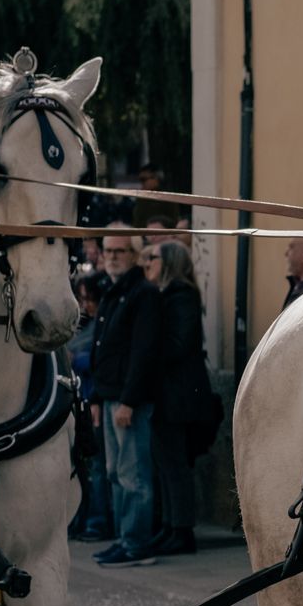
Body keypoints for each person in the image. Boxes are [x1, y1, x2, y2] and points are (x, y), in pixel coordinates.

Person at [90, 234, 163, 567]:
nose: (113, 256)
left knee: (132, 474)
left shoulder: (143, 294)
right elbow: (101, 349)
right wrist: (96, 396)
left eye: (120, 250)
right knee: (115, 472)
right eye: (108, 250)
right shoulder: (112, 291)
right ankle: (124, 539)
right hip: (109, 396)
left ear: (135, 255)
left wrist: (129, 401)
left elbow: (144, 352)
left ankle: (136, 543)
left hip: (127, 399)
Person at [143, 240, 209, 557]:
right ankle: (171, 527)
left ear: (168, 261)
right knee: (165, 463)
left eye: (152, 257)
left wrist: (147, 351)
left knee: (175, 465)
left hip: (178, 395)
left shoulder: (180, 295)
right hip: (169, 393)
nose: (147, 263)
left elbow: (178, 344)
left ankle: (181, 531)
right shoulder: (166, 296)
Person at [67, 271, 114, 542]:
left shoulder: (100, 326)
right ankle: (82, 518)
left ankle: (98, 521)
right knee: (84, 467)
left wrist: (77, 359)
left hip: (94, 398)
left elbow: (97, 359)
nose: (86, 305)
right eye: (81, 298)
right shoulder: (86, 325)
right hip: (81, 398)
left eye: (89, 298)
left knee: (99, 466)